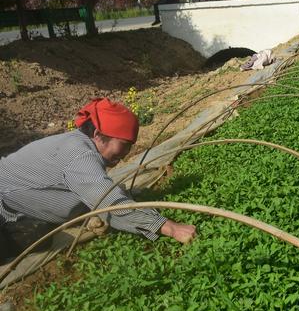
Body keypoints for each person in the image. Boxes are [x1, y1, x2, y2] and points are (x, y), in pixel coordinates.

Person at [0, 98, 196, 262]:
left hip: (13, 202)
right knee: (30, 240)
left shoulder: (77, 144)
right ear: (98, 135)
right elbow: (110, 203)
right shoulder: (78, 155)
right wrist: (171, 228)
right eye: (124, 145)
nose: (126, 155)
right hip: (5, 210)